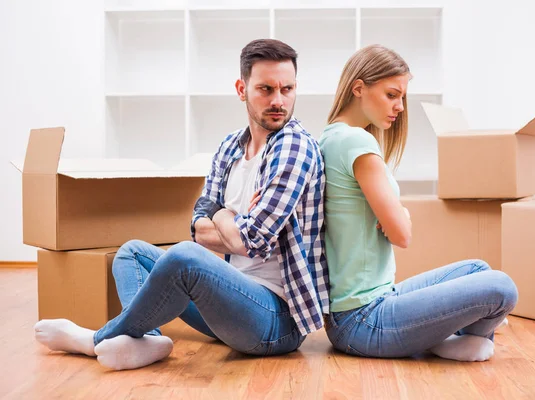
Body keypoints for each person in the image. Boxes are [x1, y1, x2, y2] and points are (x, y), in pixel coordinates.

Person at [34, 38, 329, 370]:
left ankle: (94, 341)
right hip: (229, 300)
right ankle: (148, 341)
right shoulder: (230, 146)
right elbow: (198, 227)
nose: (278, 100)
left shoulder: (295, 146)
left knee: (185, 258)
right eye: (266, 89)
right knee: (132, 252)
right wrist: (230, 219)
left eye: (287, 89)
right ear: (241, 88)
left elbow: (251, 240)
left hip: (276, 322)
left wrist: (222, 213)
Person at [318, 44, 517, 361]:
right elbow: (402, 235)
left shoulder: (330, 137)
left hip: (363, 308)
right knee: (502, 287)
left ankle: (440, 336)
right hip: (365, 320)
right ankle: (447, 338)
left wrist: (396, 213)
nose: (399, 107)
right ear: (359, 88)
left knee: (477, 269)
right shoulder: (357, 141)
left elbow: (385, 220)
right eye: (391, 94)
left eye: (402, 98)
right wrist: (401, 215)